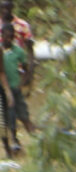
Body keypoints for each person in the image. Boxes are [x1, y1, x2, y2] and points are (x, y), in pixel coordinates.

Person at [1, 23, 30, 159]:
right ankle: (7, 144)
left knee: (13, 114)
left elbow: (25, 67)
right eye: (6, 36)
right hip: (3, 89)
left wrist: (22, 82)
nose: (9, 39)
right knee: (4, 118)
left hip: (12, 87)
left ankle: (14, 139)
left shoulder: (18, 51)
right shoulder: (1, 51)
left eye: (11, 37)